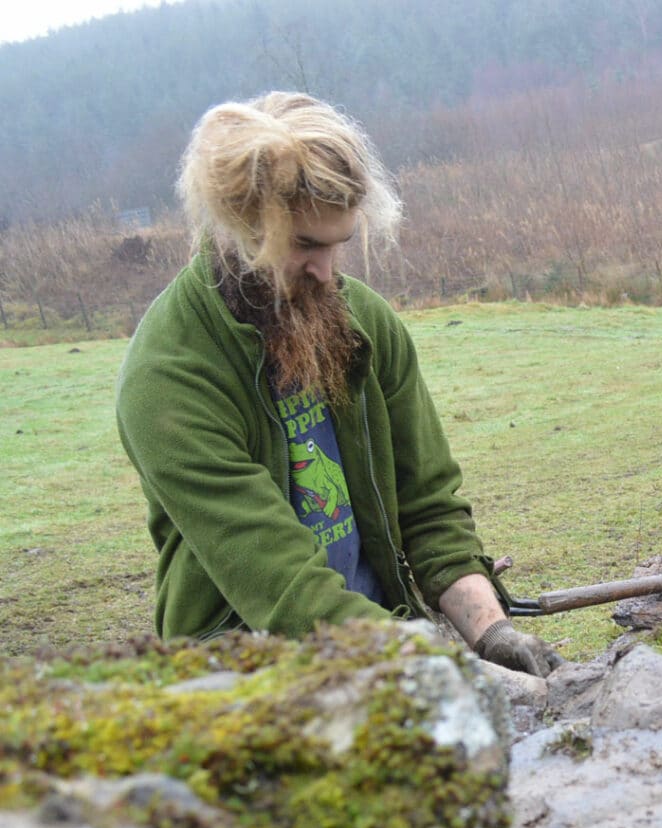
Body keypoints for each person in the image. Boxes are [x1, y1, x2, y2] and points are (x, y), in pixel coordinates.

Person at [116, 91, 562, 677]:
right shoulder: (168, 383)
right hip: (237, 673)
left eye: (338, 244)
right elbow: (285, 590)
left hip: (382, 639)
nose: (327, 273)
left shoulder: (365, 325)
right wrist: (440, 669)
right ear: (240, 224)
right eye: (303, 245)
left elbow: (428, 503)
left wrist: (490, 632)